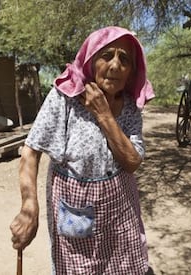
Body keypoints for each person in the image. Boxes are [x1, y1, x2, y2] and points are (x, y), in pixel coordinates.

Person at [10, 26, 155, 274]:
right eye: (107, 55)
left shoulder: (131, 107)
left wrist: (103, 114)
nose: (115, 65)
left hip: (121, 210)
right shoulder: (65, 98)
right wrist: (29, 206)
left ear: (131, 71)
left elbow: (132, 162)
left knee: (125, 266)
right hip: (76, 208)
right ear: (90, 60)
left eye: (124, 59)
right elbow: (31, 151)